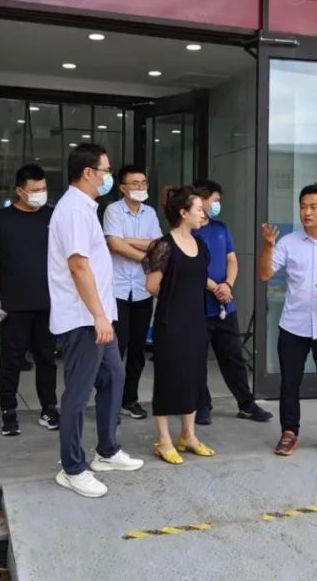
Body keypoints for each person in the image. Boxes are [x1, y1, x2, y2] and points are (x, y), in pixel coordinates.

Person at [48, 143, 144, 498]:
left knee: (114, 377)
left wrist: (104, 315)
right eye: (105, 171)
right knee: (77, 393)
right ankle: (72, 468)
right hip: (83, 319)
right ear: (88, 173)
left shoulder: (87, 208)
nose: (108, 177)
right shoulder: (74, 209)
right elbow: (78, 266)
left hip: (99, 317)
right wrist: (99, 316)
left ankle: (107, 450)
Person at [257, 183, 317, 460]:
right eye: (303, 207)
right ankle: (289, 432)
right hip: (294, 325)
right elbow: (264, 274)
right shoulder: (288, 243)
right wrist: (268, 246)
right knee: (290, 382)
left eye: (313, 207)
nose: (307, 212)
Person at [0, 164, 59, 437]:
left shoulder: (53, 216)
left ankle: (49, 408)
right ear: (19, 191)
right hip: (13, 302)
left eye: (43, 189)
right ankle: (8, 411)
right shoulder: (2, 219)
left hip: (48, 301)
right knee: (11, 358)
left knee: (46, 357)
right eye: (34, 190)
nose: (40, 194)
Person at [143, 186, 216, 465]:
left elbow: (198, 279)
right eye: (198, 209)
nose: (203, 214)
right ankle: (164, 441)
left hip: (196, 320)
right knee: (169, 377)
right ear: (183, 213)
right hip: (171, 322)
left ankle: (189, 435)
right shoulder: (163, 245)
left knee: (194, 377)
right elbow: (152, 286)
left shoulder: (201, 245)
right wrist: (175, 296)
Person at [192, 180, 273, 426]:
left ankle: (246, 405)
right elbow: (188, 267)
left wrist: (227, 284)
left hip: (225, 306)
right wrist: (213, 287)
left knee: (233, 358)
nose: (218, 204)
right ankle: (202, 406)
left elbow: (232, 260)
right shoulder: (187, 231)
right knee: (197, 361)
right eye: (215, 200)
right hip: (197, 307)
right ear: (201, 199)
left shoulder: (221, 228)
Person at [103, 165, 162, 420]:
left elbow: (158, 245)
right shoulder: (113, 210)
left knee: (137, 349)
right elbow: (114, 245)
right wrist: (145, 256)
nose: (140, 187)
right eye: (135, 183)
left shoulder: (150, 213)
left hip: (142, 289)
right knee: (117, 348)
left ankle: (130, 399)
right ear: (122, 188)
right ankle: (110, 401)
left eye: (143, 182)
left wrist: (127, 240)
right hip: (117, 289)